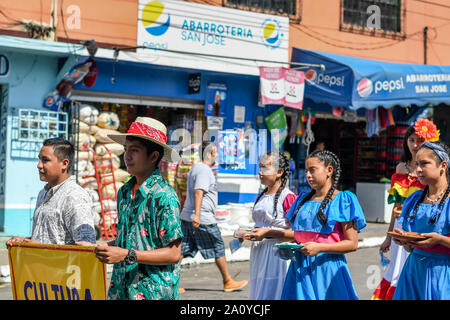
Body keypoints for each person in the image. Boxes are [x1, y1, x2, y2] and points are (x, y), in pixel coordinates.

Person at [78, 117, 184, 300]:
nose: (126, 156)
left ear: (153, 157)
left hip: (153, 293)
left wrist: (127, 255)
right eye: (126, 149)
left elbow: (174, 253)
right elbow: (127, 241)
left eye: (134, 150)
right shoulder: (125, 192)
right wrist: (97, 247)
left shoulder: (164, 197)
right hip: (122, 289)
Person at [280, 150, 366, 300]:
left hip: (327, 269)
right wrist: (291, 246)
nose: (308, 175)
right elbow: (303, 235)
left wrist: (320, 247)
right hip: (299, 268)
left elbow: (352, 243)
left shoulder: (343, 199)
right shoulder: (302, 199)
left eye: (312, 170)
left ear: (329, 170)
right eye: (306, 170)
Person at [372, 120, 434, 300]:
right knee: (396, 270)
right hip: (400, 226)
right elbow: (396, 207)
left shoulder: (433, 170)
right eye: (412, 140)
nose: (415, 145)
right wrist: (388, 235)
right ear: (406, 142)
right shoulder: (400, 168)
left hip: (421, 227)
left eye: (420, 140)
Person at [180, 141, 248, 293]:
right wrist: (197, 215)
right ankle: (228, 281)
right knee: (218, 246)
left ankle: (170, 282)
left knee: (183, 249)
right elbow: (199, 192)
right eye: (215, 152)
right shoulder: (204, 170)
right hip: (202, 218)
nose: (217, 155)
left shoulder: (196, 168)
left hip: (190, 215)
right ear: (209, 154)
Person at [6, 138, 96, 246]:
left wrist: (41, 248)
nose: (39, 165)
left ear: (64, 164)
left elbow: (86, 248)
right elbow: (49, 238)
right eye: (39, 159)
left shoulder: (75, 197)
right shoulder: (42, 194)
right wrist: (24, 241)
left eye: (45, 160)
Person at [392, 141, 450, 300]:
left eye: (424, 164)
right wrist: (406, 241)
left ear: (442, 165)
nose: (418, 169)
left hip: (442, 273)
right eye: (417, 164)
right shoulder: (415, 199)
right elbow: (412, 248)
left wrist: (439, 239)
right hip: (414, 271)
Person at [244, 150, 297, 300]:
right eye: (260, 167)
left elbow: (297, 233)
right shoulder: (261, 196)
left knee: (274, 291)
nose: (261, 172)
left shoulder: (288, 198)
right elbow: (261, 225)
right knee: (260, 290)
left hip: (277, 255)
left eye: (266, 168)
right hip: (259, 252)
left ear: (279, 172)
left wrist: (267, 233)